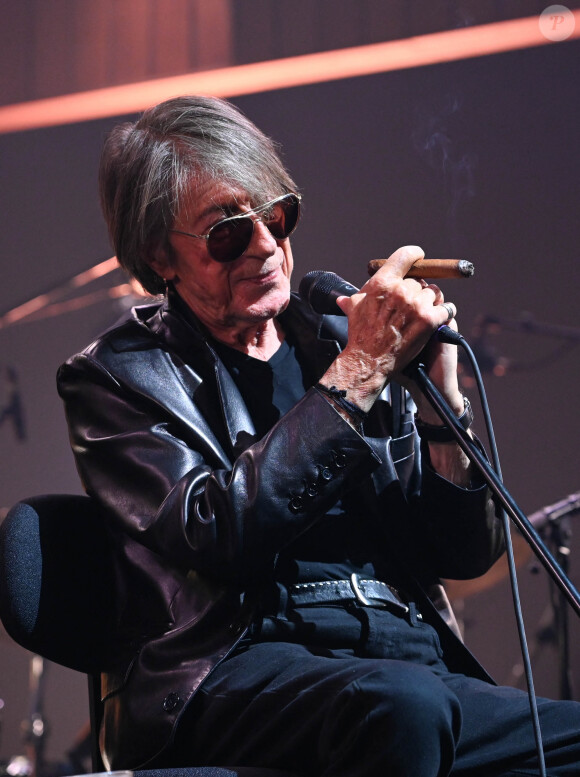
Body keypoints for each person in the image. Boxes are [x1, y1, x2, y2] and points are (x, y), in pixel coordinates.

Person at [57, 95, 580, 777]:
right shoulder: (117, 375)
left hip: (403, 654)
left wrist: (441, 402)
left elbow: (463, 551)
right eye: (227, 232)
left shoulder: (330, 337)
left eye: (277, 216)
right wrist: (359, 374)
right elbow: (216, 529)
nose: (267, 246)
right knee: (407, 709)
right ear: (160, 254)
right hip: (238, 667)